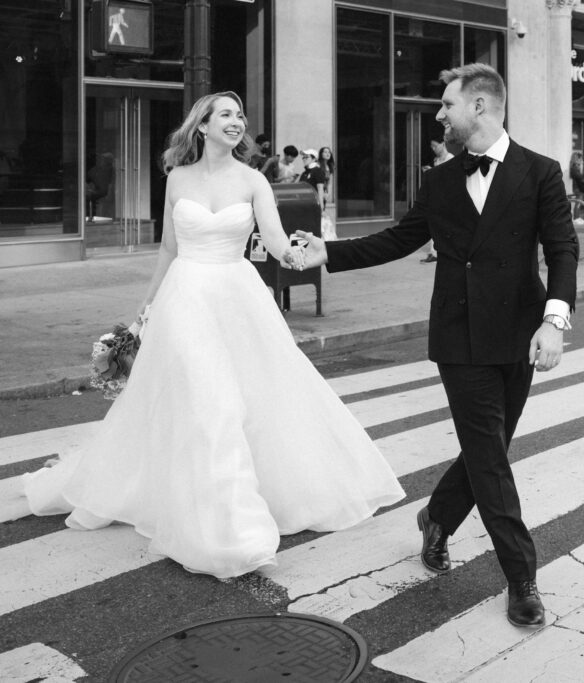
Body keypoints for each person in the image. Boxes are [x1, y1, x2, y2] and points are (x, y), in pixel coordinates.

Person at [21, 91, 404, 579]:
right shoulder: (177, 178)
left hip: (237, 297)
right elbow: (167, 251)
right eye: (225, 114)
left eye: (240, 115)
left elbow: (278, 242)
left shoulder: (254, 180)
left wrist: (309, 253)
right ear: (201, 125)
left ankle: (233, 522)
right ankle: (223, 523)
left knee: (239, 401)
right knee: (207, 401)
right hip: (185, 299)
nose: (237, 121)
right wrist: (143, 311)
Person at [296, 64, 578, 627]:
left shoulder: (541, 172)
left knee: (487, 449)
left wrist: (555, 320)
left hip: (520, 333)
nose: (440, 114)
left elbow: (563, 248)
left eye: (448, 105)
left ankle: (437, 519)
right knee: (492, 458)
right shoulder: (441, 181)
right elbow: (400, 238)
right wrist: (329, 251)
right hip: (460, 335)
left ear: (479, 106)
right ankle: (521, 577)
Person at [421, 136, 454, 262]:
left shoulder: (450, 158)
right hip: (437, 195)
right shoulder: (436, 160)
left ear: (443, 144)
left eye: (435, 145)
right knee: (434, 223)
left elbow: (450, 178)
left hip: (447, 197)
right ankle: (433, 252)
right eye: (432, 146)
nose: (433, 149)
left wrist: (433, 172)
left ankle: (438, 252)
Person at [85, 152, 114, 222]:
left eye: (103, 159)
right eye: (101, 159)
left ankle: (90, 216)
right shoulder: (97, 169)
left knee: (87, 196)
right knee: (86, 195)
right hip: (97, 190)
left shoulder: (110, 169)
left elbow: (111, 183)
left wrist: (109, 193)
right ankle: (89, 216)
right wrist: (88, 188)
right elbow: (87, 178)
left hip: (103, 192)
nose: (101, 161)